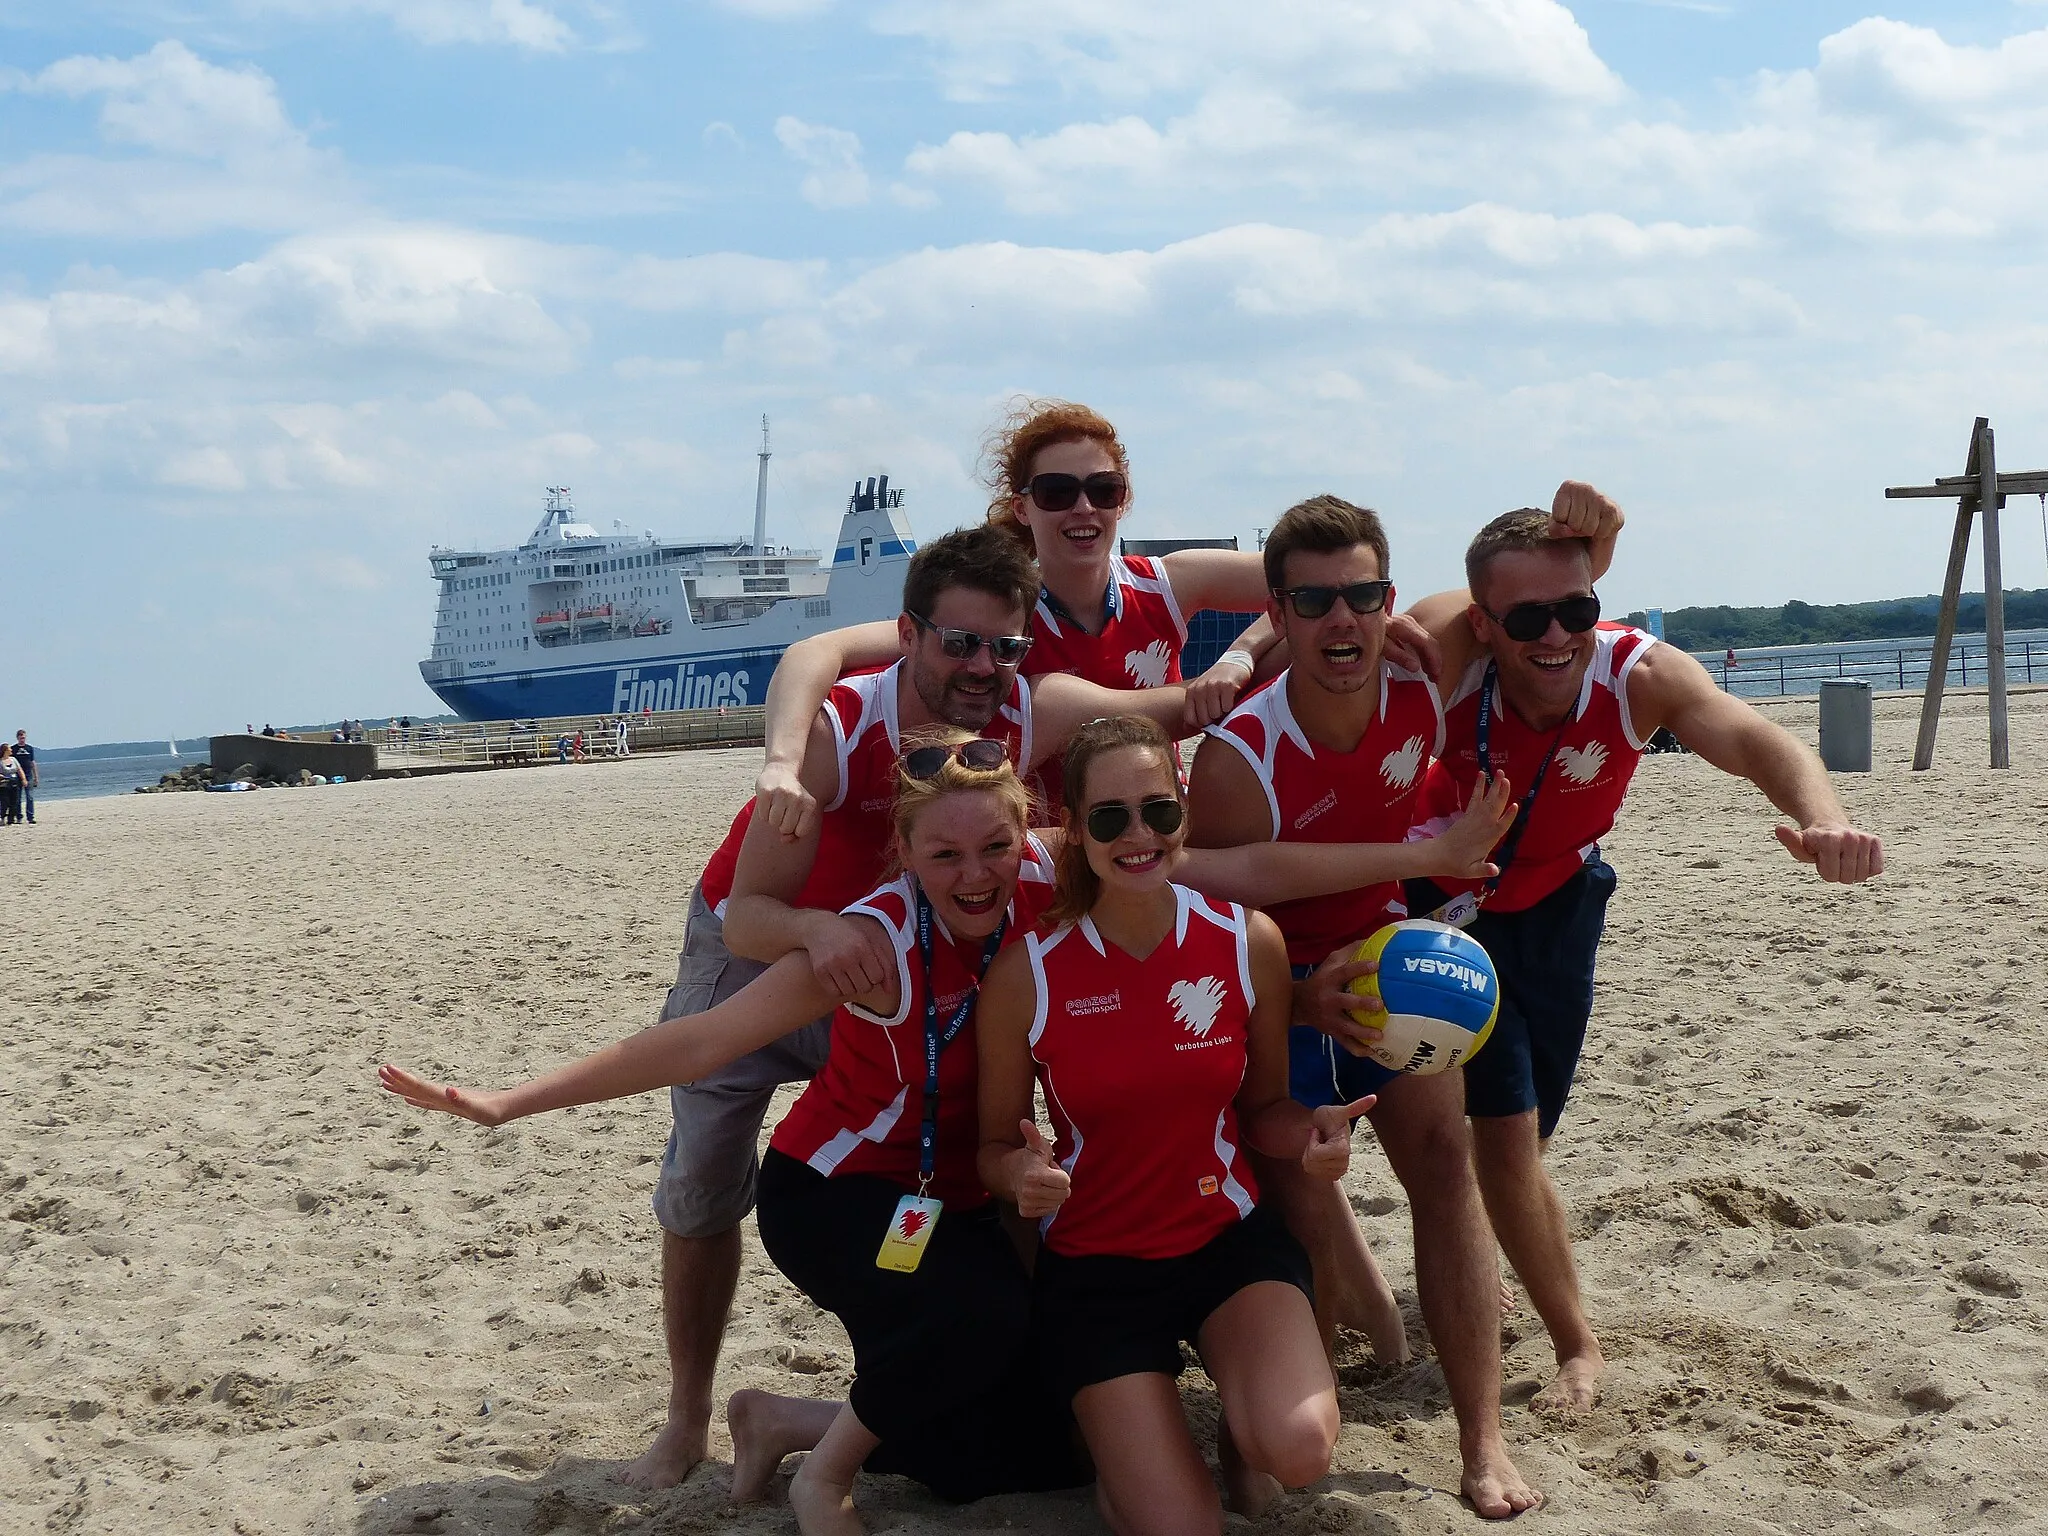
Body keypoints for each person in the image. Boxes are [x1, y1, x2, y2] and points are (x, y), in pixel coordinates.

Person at [380, 737, 1090, 1533]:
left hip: (955, 1198)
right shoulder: (873, 941)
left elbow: (1161, 850)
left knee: (1038, 1453)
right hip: (837, 1194)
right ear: (904, 851)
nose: (976, 874)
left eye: (996, 847)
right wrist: (507, 1102)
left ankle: (783, 1421)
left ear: (1027, 834)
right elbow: (699, 1041)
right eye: (946, 853)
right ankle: (822, 1480)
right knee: (979, 1318)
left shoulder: (1046, 875)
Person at [629, 524, 1198, 1490]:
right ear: (909, 637)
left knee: (986, 1135)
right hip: (777, 943)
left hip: (921, 949)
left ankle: (937, 1375)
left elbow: (1188, 707)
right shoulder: (845, 726)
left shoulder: (1030, 705)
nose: (982, 665)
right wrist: (820, 929)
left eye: (1004, 645)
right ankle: (688, 1417)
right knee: (704, 1180)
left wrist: (1316, 632)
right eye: (958, 643)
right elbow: (750, 916)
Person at [1401, 508, 1884, 1418]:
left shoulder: (1637, 674)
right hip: (1444, 908)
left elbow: (1754, 738)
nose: (1557, 638)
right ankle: (1578, 1343)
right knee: (1505, 1137)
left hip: (1564, 900)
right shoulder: (1451, 664)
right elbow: (1367, 634)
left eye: (1574, 610)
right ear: (1485, 624)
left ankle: (1484, 1238)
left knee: (1528, 1129)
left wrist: (1823, 819)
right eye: (1527, 618)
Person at [1187, 492, 1609, 1519]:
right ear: (1277, 615)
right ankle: (1302, 1405)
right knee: (1297, 1200)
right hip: (1278, 980)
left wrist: (1602, 529)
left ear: (1388, 602)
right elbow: (1215, 890)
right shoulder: (1240, 753)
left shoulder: (1428, 671)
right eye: (1315, 603)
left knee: (1443, 1168)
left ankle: (1480, 1441)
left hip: (1391, 957)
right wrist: (1301, 989)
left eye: (1363, 595)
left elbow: (1543, 595)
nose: (1344, 621)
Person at [976, 716, 1365, 1535]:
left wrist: (1312, 1136)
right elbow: (990, 1149)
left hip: (1225, 1243)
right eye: (1110, 818)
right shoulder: (1030, 973)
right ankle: (1130, 1469)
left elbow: (1263, 1111)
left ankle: (1226, 1432)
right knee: (1181, 1526)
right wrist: (1021, 1176)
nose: (1140, 835)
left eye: (1159, 809)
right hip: (1096, 1269)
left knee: (1298, 1450)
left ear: (1184, 809)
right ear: (1076, 832)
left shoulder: (1244, 941)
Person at [12, 730, 37, 824]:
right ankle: (18, 817)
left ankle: (30, 817)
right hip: (17, 776)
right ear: (17, 738)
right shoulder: (13, 749)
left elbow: (32, 762)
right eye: (21, 738)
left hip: (28, 775)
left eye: (24, 738)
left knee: (30, 797)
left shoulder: (29, 748)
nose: (23, 739)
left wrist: (36, 777)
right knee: (17, 798)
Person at [0, 745, 22, 826]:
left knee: (14, 801)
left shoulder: (13, 759)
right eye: (9, 748)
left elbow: (19, 769)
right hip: (4, 783)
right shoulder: (0, 761)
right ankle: (2, 817)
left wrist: (23, 779)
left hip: (14, 781)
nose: (11, 750)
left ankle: (11, 819)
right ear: (5, 750)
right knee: (5, 802)